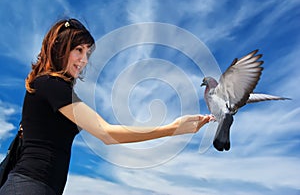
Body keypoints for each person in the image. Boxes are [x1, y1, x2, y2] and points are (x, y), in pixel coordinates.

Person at [0, 18, 212, 195]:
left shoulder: (54, 89)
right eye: (78, 50)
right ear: (59, 48)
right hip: (29, 185)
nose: (84, 60)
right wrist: (173, 129)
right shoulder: (50, 84)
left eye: (87, 53)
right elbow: (106, 133)